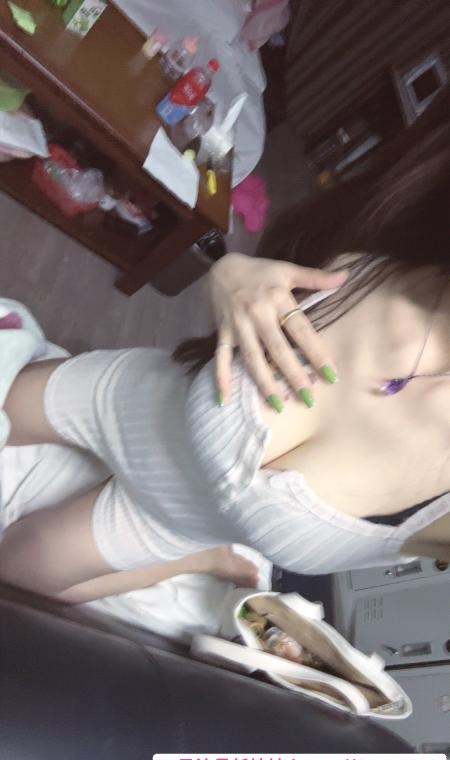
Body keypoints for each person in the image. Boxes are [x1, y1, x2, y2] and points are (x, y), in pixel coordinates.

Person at [0, 108, 448, 606]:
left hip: (173, 523)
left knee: (14, 575)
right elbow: (263, 273)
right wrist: (231, 271)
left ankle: (201, 558)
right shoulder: (385, 238)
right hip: (131, 406)